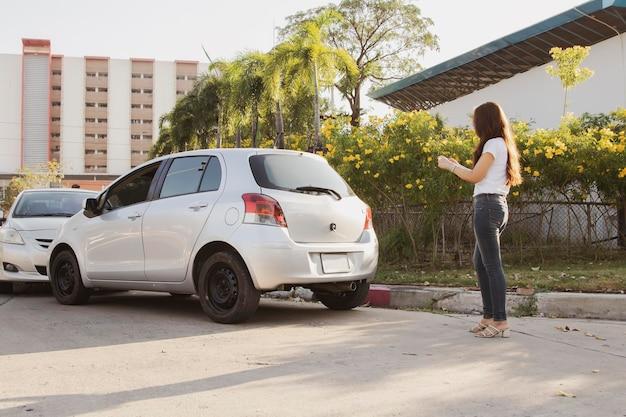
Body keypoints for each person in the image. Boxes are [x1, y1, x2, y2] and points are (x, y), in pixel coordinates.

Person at [437, 102, 522, 338]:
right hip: (495, 205)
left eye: (475, 120)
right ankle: (488, 316)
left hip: (487, 206)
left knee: (492, 265)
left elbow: (475, 176)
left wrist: (450, 167)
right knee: (480, 263)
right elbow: (482, 176)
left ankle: (500, 320)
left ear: (483, 121)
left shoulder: (494, 143)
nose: (473, 124)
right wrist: (455, 165)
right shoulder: (501, 144)